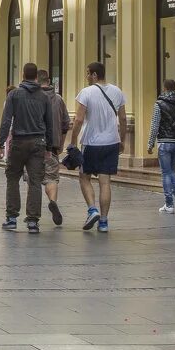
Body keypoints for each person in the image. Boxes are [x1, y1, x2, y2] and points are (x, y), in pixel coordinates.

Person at [67, 61, 126, 233]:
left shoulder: (86, 92)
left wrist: (73, 140)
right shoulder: (117, 91)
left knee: (84, 177)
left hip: (91, 143)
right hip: (111, 142)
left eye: (87, 73)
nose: (86, 77)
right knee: (105, 181)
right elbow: (123, 119)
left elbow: (78, 119)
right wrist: (122, 140)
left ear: (94, 75)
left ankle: (92, 209)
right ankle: (104, 222)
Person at [0, 63, 54, 234]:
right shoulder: (44, 97)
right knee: (35, 181)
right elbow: (49, 124)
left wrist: (0, 144)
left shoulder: (14, 95)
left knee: (13, 178)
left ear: (23, 74)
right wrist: (49, 146)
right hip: (38, 142)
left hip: (19, 143)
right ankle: (33, 222)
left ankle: (12, 218)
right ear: (36, 76)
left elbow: (6, 120)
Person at [147, 78, 175, 214]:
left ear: (164, 88)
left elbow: (155, 125)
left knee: (166, 172)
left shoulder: (159, 103)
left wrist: (150, 143)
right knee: (172, 169)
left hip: (164, 142)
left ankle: (170, 203)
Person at [38, 69, 70, 225]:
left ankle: (33, 215)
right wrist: (61, 143)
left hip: (34, 145)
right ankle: (53, 201)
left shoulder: (32, 98)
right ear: (49, 81)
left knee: (33, 179)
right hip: (53, 147)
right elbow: (66, 124)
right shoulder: (58, 99)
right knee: (51, 178)